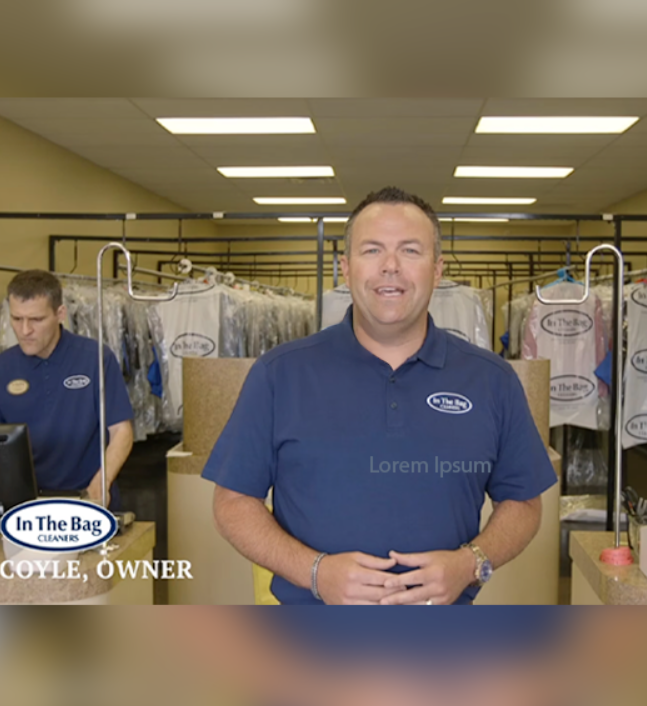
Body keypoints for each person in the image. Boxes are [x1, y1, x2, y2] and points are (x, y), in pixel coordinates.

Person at [202, 186, 557, 605]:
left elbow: (523, 502)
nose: (391, 266)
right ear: (346, 268)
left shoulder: (492, 380)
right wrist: (316, 573)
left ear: (437, 270)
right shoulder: (280, 374)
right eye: (372, 250)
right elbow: (233, 502)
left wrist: (470, 564)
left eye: (410, 250)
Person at [0, 270, 133, 508]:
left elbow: (121, 431)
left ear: (60, 314)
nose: (25, 330)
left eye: (36, 320)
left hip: (89, 497)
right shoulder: (0, 369)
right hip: (25, 503)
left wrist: (103, 481)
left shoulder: (96, 359)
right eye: (17, 319)